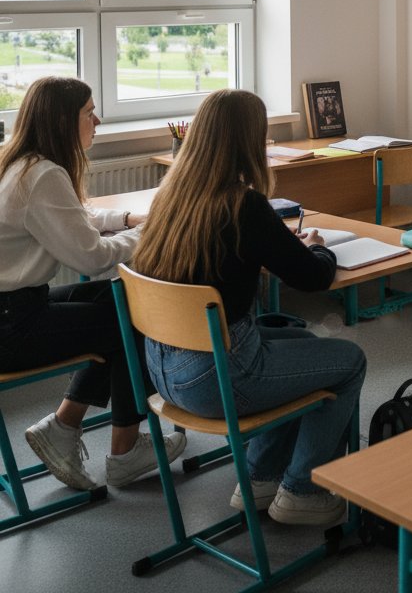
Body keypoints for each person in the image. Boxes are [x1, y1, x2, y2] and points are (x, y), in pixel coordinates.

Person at [131, 89, 365, 526]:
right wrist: (319, 249)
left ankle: (260, 476)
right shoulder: (244, 205)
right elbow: (312, 279)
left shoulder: (170, 198)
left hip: (163, 373)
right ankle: (303, 491)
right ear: (246, 142)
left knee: (301, 341)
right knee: (348, 360)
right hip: (217, 378)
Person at [0, 76, 185, 491]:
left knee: (118, 299)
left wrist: (125, 220)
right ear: (63, 121)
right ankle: (123, 450)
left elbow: (71, 215)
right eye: (89, 112)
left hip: (14, 308)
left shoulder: (19, 162)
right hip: (12, 326)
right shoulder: (43, 175)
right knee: (130, 318)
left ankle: (63, 427)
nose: (97, 120)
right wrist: (149, 234)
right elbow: (91, 257)